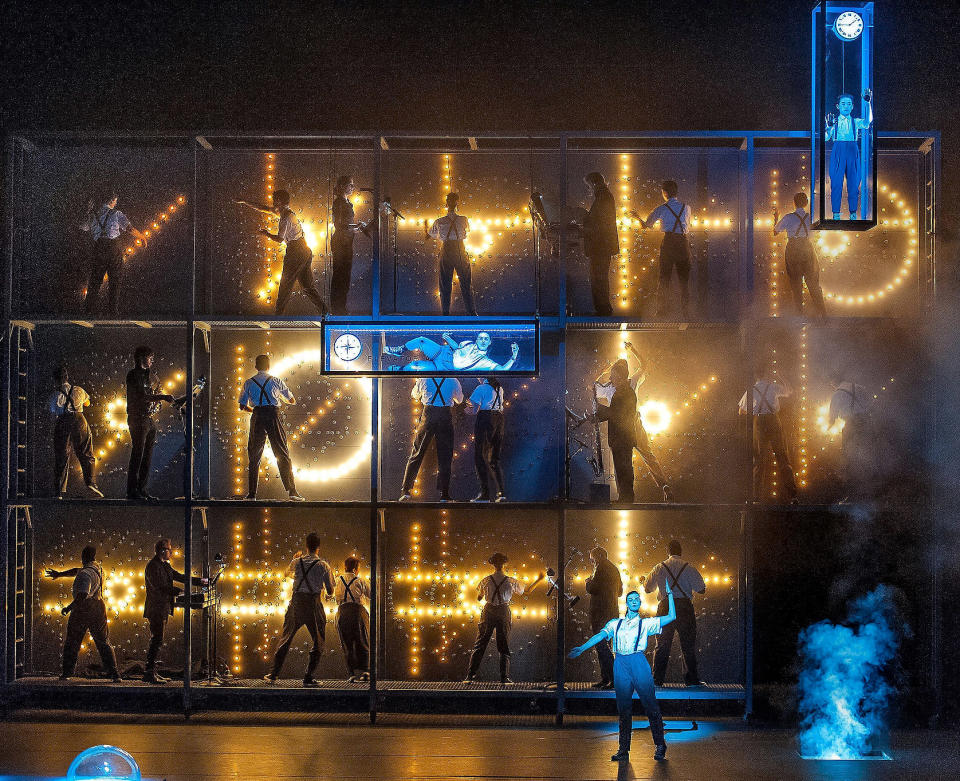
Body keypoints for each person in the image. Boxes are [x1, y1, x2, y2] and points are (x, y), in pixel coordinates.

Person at [569, 584, 675, 762]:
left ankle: (660, 745)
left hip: (638, 662)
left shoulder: (646, 623)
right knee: (624, 709)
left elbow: (672, 616)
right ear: (626, 603)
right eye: (630, 599)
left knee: (650, 706)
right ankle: (623, 750)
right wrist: (583, 647)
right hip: (620, 664)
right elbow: (600, 636)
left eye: (636, 599)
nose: (634, 601)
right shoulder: (615, 623)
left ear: (639, 603)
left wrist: (670, 594)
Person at [596, 342, 674, 502]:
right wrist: (609, 367)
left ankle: (661, 486)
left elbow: (644, 365)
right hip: (621, 425)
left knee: (639, 456)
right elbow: (594, 386)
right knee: (628, 460)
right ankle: (626, 495)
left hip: (632, 423)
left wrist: (633, 350)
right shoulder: (610, 387)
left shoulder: (631, 382)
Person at [235, 189, 327, 315]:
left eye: (274, 200)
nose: (272, 203)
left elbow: (279, 239)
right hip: (304, 251)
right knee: (307, 286)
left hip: (296, 252)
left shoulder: (286, 218)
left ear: (279, 201)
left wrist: (266, 233)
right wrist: (245, 201)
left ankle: (278, 316)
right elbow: (263, 208)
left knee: (285, 284)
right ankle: (325, 311)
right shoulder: (284, 212)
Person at [264, 533, 335, 687]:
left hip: (296, 603)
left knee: (286, 638)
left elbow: (286, 574)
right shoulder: (323, 565)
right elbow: (330, 591)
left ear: (306, 546)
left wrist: (294, 559)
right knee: (318, 640)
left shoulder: (297, 562)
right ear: (318, 547)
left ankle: (273, 674)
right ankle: (308, 677)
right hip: (313, 604)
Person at [45, 545, 122, 682]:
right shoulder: (98, 568)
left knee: (73, 642)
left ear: (83, 556)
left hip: (83, 609)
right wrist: (60, 574)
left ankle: (67, 673)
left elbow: (82, 595)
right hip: (99, 607)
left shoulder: (84, 575)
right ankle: (115, 674)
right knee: (103, 641)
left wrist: (68, 608)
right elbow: (76, 570)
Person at [238, 354, 305, 501]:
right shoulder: (276, 380)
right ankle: (292, 491)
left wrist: (256, 410)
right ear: (269, 366)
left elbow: (242, 406)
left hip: (257, 417)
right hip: (273, 415)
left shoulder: (248, 382)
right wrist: (277, 399)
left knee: (254, 455)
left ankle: (251, 494)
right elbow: (292, 400)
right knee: (282, 452)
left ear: (256, 367)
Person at [143, 537, 206, 683]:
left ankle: (151, 672)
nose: (171, 552)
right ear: (162, 550)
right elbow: (160, 586)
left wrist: (202, 581)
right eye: (169, 549)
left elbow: (180, 577)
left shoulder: (164, 565)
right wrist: (180, 592)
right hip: (156, 608)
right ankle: (149, 672)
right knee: (156, 640)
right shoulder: (153, 566)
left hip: (161, 608)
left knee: (157, 640)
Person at [644, 539, 706, 687]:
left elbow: (647, 589)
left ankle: (657, 680)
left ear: (668, 551)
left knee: (662, 644)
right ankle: (692, 680)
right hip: (685, 607)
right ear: (681, 551)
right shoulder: (689, 567)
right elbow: (702, 589)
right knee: (688, 645)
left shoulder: (659, 567)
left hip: (665, 607)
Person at [739, 363, 798, 504]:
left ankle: (756, 499)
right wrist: (782, 376)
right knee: (782, 457)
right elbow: (790, 391)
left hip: (759, 422)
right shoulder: (773, 387)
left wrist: (754, 411)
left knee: (759, 460)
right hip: (773, 421)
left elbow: (741, 411)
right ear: (766, 374)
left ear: (755, 376)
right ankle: (793, 496)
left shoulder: (751, 390)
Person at [83, 191, 149, 316]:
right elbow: (130, 229)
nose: (116, 202)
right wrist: (142, 237)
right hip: (113, 247)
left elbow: (83, 227)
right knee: (115, 279)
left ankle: (88, 310)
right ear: (111, 200)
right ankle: (113, 311)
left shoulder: (93, 215)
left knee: (95, 279)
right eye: (116, 200)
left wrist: (87, 211)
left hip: (99, 247)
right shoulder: (117, 214)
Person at [398, 376, 464, 502]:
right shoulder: (453, 380)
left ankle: (405, 490)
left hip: (428, 414)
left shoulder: (425, 377)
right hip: (445, 415)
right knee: (445, 456)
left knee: (417, 452)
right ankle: (444, 494)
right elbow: (459, 400)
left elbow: (415, 395)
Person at [634, 180, 692, 319]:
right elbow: (688, 226)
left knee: (664, 279)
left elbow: (647, 225)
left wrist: (636, 217)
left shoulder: (661, 208)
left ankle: (661, 312)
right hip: (683, 243)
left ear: (664, 193)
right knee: (684, 280)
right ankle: (687, 313)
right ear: (676, 192)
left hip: (669, 243)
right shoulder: (687, 207)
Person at [464, 552, 525, 684]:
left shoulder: (485, 580)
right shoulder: (510, 581)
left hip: (488, 611)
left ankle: (470, 676)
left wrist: (487, 595)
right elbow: (525, 591)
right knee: (503, 645)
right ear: (504, 564)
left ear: (493, 564)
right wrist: (538, 580)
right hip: (503, 611)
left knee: (480, 643)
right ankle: (504, 678)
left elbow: (479, 597)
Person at [125, 346, 176, 502]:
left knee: (147, 456)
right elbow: (142, 396)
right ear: (141, 358)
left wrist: (157, 400)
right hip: (137, 418)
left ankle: (142, 489)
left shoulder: (150, 375)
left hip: (148, 418)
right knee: (138, 454)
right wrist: (162, 397)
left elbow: (151, 392)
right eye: (150, 357)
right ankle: (132, 490)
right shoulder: (133, 375)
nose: (152, 361)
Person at [49, 366, 102, 498]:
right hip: (79, 419)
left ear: (55, 380)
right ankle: (90, 482)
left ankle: (59, 490)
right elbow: (88, 403)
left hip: (63, 421)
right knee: (86, 451)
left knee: (61, 454)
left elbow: (52, 410)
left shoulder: (55, 395)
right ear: (67, 377)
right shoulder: (78, 390)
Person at [773, 193, 826, 317]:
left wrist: (776, 218)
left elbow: (775, 232)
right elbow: (817, 233)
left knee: (796, 283)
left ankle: (799, 316)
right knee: (813, 283)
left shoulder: (788, 217)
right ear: (806, 203)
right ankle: (822, 315)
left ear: (794, 203)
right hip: (807, 247)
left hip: (793, 248)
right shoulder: (811, 218)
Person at [425, 192, 477, 315]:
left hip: (446, 250)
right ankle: (472, 313)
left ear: (446, 203)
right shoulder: (464, 219)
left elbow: (430, 235)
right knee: (466, 283)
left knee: (445, 284)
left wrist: (425, 227)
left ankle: (445, 314)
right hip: (460, 249)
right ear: (457, 202)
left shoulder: (439, 221)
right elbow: (468, 231)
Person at [825, 89, 873, 219]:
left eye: (848, 104)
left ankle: (853, 213)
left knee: (854, 181)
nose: (846, 106)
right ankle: (836, 213)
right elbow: (825, 137)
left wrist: (868, 103)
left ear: (852, 106)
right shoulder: (833, 122)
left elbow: (867, 123)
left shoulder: (855, 121)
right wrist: (828, 127)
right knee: (836, 182)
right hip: (838, 149)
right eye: (843, 104)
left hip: (852, 149)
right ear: (838, 106)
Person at [828, 375, 873, 501]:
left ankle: (852, 494)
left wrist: (828, 427)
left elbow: (832, 417)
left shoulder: (837, 394)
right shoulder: (860, 387)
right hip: (866, 423)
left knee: (848, 456)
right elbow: (870, 404)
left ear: (834, 382)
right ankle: (869, 492)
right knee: (866, 455)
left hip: (851, 425)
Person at [584, 546, 623, 689]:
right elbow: (620, 592)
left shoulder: (600, 568)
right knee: (605, 645)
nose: (591, 562)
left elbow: (593, 589)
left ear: (598, 556)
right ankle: (606, 678)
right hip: (612, 612)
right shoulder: (615, 569)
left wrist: (588, 582)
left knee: (601, 646)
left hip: (600, 612)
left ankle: (612, 678)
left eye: (592, 558)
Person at [384, 331, 519, 372]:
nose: (483, 340)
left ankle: (399, 369)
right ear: (477, 339)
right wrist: (446, 337)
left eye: (486, 339)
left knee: (417, 366)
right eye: (480, 338)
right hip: (443, 352)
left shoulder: (485, 361)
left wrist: (514, 356)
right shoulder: (468, 343)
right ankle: (400, 349)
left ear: (489, 342)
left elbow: (502, 369)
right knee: (421, 340)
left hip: (445, 367)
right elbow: (456, 347)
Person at [330, 175, 369, 315]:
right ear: (342, 186)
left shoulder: (346, 202)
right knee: (340, 275)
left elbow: (344, 225)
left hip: (346, 241)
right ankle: (337, 308)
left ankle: (340, 307)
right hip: (341, 242)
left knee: (344, 275)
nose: (352, 187)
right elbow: (339, 224)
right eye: (350, 185)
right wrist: (354, 227)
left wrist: (355, 228)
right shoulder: (339, 203)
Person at [580, 172, 619, 316]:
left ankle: (603, 309)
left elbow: (600, 223)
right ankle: (603, 308)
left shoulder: (603, 198)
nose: (589, 189)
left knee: (598, 278)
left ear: (594, 183)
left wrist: (585, 224)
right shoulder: (605, 196)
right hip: (603, 245)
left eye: (589, 185)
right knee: (600, 277)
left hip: (600, 245)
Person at [467, 377, 506, 502]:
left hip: (485, 419)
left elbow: (473, 410)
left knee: (480, 456)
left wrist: (465, 409)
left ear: (482, 377)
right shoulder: (499, 388)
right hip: (499, 419)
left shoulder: (481, 388)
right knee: (494, 458)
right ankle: (502, 493)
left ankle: (485, 494)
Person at [334, 555, 371, 682]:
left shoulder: (337, 580)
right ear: (356, 569)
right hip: (357, 611)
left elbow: (329, 593)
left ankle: (351, 674)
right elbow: (372, 594)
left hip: (342, 611)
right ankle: (366, 671)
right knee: (362, 640)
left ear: (345, 567)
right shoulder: (360, 580)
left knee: (346, 642)